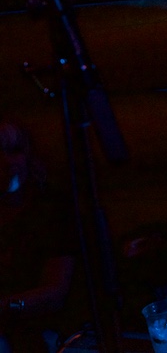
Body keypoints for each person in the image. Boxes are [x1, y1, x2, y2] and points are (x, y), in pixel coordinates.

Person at [0, 119, 77, 353]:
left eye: (14, 151)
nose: (6, 162)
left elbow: (55, 293)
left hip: (44, 330)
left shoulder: (51, 208)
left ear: (28, 156)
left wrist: (8, 306)